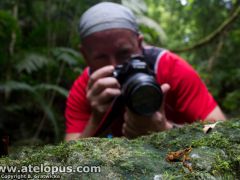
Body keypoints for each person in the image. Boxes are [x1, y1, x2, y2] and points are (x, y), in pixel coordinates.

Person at [64, 2, 226, 141]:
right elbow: (68, 164)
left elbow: (220, 130)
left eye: (124, 53)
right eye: (101, 57)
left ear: (139, 44)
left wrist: (167, 131)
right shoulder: (85, 89)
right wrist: (96, 119)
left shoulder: (171, 69)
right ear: (85, 56)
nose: (113, 66)